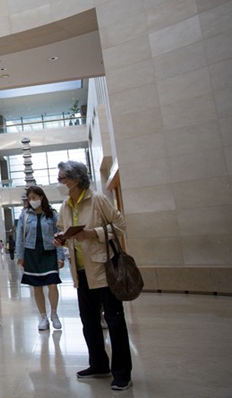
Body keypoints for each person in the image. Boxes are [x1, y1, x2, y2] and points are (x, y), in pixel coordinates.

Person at [53, 161, 133, 391]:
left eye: (61, 179)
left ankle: (122, 373)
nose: (59, 183)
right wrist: (60, 238)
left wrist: (93, 233)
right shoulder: (66, 206)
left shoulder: (98, 199)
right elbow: (64, 232)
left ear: (74, 180)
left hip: (104, 270)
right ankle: (98, 365)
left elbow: (120, 225)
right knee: (89, 322)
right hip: (80, 272)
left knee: (115, 322)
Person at [15, 186, 65, 331]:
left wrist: (60, 256)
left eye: (34, 198)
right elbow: (20, 237)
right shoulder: (25, 215)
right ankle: (43, 316)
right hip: (31, 253)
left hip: (49, 252)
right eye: (30, 198)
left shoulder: (52, 214)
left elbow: (60, 236)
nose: (32, 201)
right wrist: (20, 256)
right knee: (37, 287)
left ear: (41, 197)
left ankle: (54, 314)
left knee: (52, 284)